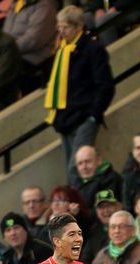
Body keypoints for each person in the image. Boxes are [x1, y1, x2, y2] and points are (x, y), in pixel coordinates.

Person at [44, 6, 115, 184]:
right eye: (59, 27)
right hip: (65, 116)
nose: (61, 31)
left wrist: (93, 114)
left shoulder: (92, 49)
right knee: (71, 171)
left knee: (77, 168)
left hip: (84, 115)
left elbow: (105, 85)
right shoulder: (62, 50)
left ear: (79, 27)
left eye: (65, 27)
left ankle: (79, 207)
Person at [1, 0, 57, 94]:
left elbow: (34, 39)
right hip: (12, 56)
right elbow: (5, 35)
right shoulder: (15, 5)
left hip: (34, 60)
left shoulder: (45, 6)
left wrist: (7, 50)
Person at [72, 145, 122, 211]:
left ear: (98, 160)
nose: (84, 167)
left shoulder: (111, 179)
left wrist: (79, 213)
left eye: (87, 161)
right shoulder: (77, 181)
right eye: (80, 163)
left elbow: (105, 210)